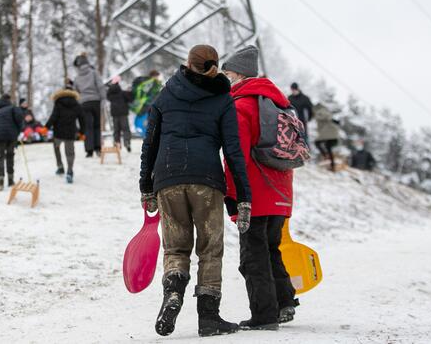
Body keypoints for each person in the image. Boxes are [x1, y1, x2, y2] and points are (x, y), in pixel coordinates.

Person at [139, 44, 252, 338]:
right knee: (209, 249)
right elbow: (233, 151)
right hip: (206, 180)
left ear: (188, 64)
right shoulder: (223, 98)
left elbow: (149, 143)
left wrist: (145, 186)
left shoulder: (166, 94)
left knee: (176, 247)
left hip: (167, 178)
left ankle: (173, 292)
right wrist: (244, 197)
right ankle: (209, 317)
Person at [221, 45, 298, 331]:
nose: (226, 81)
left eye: (228, 75)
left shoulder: (241, 106)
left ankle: (264, 315)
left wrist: (234, 195)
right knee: (271, 249)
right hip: (281, 192)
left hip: (253, 192)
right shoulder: (280, 105)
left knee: (252, 256)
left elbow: (235, 155)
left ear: (240, 74)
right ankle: (284, 302)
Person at [46, 83, 85, 184]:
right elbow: (82, 119)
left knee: (56, 148)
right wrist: (82, 132)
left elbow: (53, 117)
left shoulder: (58, 102)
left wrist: (46, 127)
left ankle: (60, 166)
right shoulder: (76, 104)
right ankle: (70, 171)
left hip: (58, 132)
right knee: (70, 153)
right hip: (70, 132)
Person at [72, 54, 105, 157]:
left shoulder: (77, 77)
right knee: (96, 125)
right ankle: (98, 148)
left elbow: (75, 91)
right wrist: (103, 98)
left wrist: (79, 101)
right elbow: (100, 85)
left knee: (87, 126)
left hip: (84, 103)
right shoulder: (94, 73)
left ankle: (89, 150)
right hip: (95, 101)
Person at [0, 94, 24, 191]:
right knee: (10, 156)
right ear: (8, 100)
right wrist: (19, 131)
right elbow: (19, 117)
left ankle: (0, 182)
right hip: (11, 136)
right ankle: (10, 180)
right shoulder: (13, 108)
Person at [131, 70, 163, 136]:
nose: (158, 78)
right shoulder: (153, 82)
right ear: (154, 76)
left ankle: (145, 134)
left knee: (141, 119)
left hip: (144, 104)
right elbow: (152, 94)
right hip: (149, 104)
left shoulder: (146, 82)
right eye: (157, 76)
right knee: (147, 120)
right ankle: (147, 135)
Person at [106, 76, 133, 152]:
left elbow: (107, 96)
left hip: (114, 114)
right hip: (123, 113)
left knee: (116, 130)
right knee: (126, 129)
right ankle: (127, 142)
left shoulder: (110, 93)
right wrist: (130, 91)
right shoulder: (123, 92)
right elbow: (131, 99)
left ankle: (117, 144)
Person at [314, 102, 342, 171]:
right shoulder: (324, 110)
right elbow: (330, 118)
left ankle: (325, 156)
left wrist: (318, 116)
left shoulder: (320, 111)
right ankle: (332, 165)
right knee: (328, 147)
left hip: (328, 132)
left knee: (317, 142)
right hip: (331, 132)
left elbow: (326, 116)